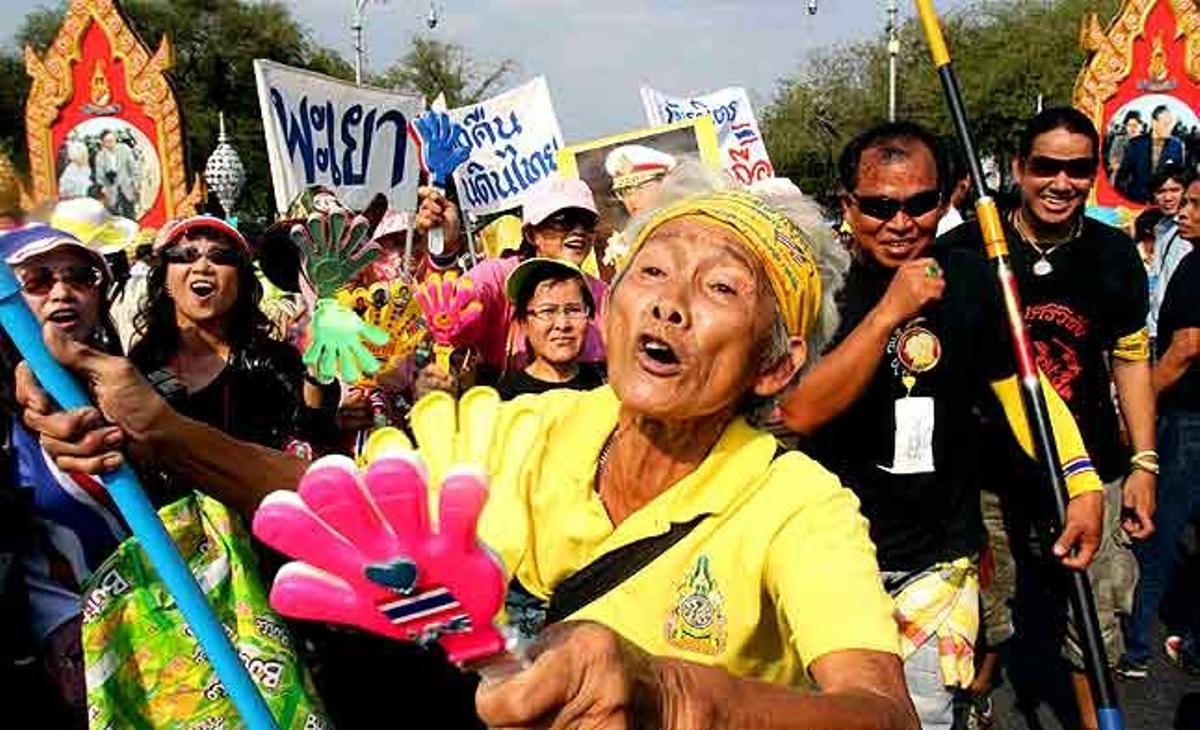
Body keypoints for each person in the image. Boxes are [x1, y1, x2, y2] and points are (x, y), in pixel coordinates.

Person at [17, 168, 921, 729]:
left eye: (719, 287)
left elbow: (880, 713)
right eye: (651, 270)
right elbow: (331, 501)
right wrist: (161, 428)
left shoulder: (798, 504)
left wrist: (677, 700)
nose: (669, 303)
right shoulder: (516, 426)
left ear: (775, 365)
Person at [781, 122, 1104, 730]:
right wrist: (890, 313)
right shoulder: (817, 289)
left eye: (919, 203)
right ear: (848, 205)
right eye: (878, 206)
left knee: (924, 718)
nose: (900, 222)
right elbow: (798, 412)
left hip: (938, 560)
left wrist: (1081, 480)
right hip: (831, 558)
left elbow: (1024, 392)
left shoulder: (972, 281)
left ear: (947, 199)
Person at [943, 107, 1156, 725]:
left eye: (1078, 170)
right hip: (987, 471)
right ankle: (973, 701)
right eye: (1046, 167)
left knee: (1093, 617)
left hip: (1089, 469)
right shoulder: (966, 251)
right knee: (984, 609)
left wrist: (1144, 461)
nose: (1061, 183)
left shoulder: (1113, 254)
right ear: (1018, 169)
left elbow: (1131, 359)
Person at [0, 225, 123, 728]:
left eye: (79, 276)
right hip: (62, 658)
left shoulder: (141, 387)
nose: (61, 291)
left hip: (162, 627)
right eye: (37, 280)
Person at [129, 215, 332, 455]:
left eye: (220, 257)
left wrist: (317, 375)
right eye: (185, 256)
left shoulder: (274, 362)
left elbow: (311, 437)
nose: (203, 267)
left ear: (241, 282)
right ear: (165, 278)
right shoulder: (141, 365)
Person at [1123, 168, 1200, 676]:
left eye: (1194, 203)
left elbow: (1186, 346)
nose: (1184, 210)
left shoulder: (1198, 268)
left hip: (1188, 418)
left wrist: (1138, 400)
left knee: (1160, 529)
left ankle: (1134, 646)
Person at [457, 175, 608, 383]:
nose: (579, 231)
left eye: (587, 222)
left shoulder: (606, 297)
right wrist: (444, 252)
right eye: (563, 221)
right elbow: (460, 300)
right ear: (531, 234)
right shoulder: (498, 275)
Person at [495, 257, 605, 399]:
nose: (562, 324)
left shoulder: (607, 385)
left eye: (573, 310)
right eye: (547, 312)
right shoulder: (506, 401)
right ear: (524, 323)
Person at [1149, 163, 1192, 347]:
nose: (1167, 198)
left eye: (1174, 190)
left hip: (1176, 334)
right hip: (1154, 329)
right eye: (1161, 191)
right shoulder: (1162, 227)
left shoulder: (1189, 230)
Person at [1116, 105, 1186, 204]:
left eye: (1171, 124)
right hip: (1136, 199)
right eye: (1166, 124)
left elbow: (1181, 177)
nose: (1169, 128)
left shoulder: (1177, 146)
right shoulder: (1135, 144)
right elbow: (1122, 177)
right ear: (1154, 122)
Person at [92, 130, 138, 219]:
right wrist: (104, 185)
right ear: (103, 143)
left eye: (113, 140)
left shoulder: (124, 149)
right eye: (108, 141)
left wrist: (133, 182)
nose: (112, 143)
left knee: (130, 214)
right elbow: (99, 176)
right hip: (111, 190)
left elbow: (133, 168)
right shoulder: (100, 156)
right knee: (114, 217)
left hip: (126, 186)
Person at [1106, 110, 1143, 180]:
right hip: (1119, 178)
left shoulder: (1146, 143)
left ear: (1140, 126)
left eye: (1135, 125)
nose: (1132, 128)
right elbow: (1112, 158)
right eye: (1129, 125)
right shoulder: (1119, 140)